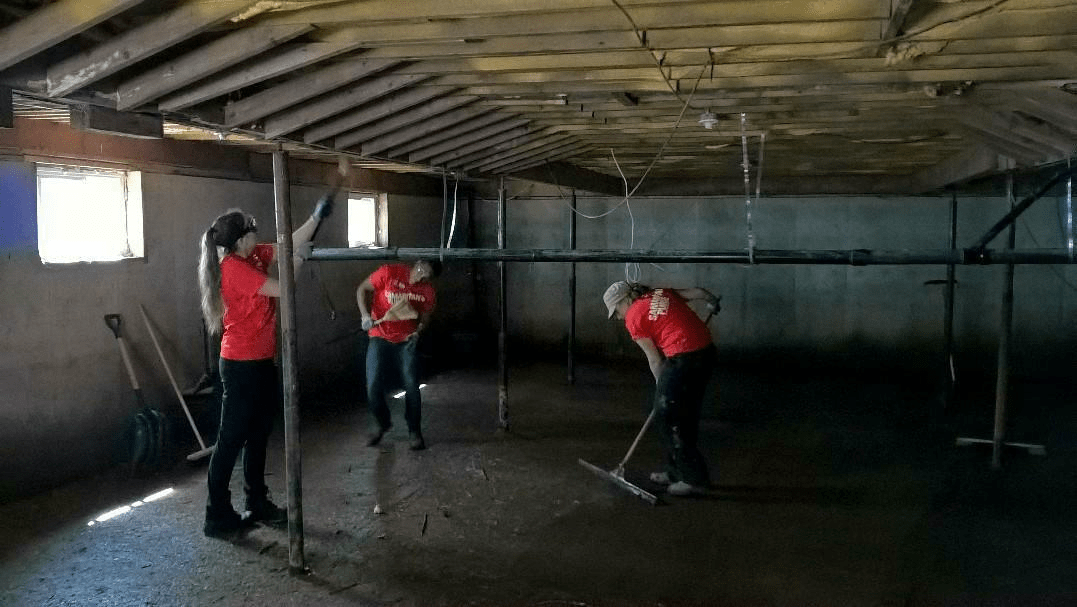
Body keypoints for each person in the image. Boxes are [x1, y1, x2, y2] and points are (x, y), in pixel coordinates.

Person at [196, 188, 336, 538]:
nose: (258, 232)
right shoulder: (234, 269)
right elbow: (283, 287)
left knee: (258, 434)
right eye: (253, 228)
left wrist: (316, 218)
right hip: (240, 365)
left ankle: (256, 501)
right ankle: (217, 514)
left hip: (260, 362)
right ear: (241, 240)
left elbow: (287, 243)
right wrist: (301, 259)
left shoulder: (251, 254)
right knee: (231, 439)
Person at [603, 280, 720, 496]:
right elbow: (699, 291)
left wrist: (662, 393)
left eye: (616, 310)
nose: (618, 317)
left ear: (625, 300)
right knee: (685, 414)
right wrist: (712, 302)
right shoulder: (659, 293)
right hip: (705, 353)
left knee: (669, 416)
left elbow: (655, 361)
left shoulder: (634, 318)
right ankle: (677, 471)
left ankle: (694, 480)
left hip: (685, 357)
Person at [357, 259, 441, 451]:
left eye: (425, 276)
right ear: (416, 263)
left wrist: (419, 330)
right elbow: (361, 288)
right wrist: (365, 316)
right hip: (379, 336)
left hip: (406, 340)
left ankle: (414, 431)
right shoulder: (390, 272)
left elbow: (426, 315)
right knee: (373, 385)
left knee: (412, 384)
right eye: (420, 270)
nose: (420, 277)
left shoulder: (427, 291)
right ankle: (383, 423)